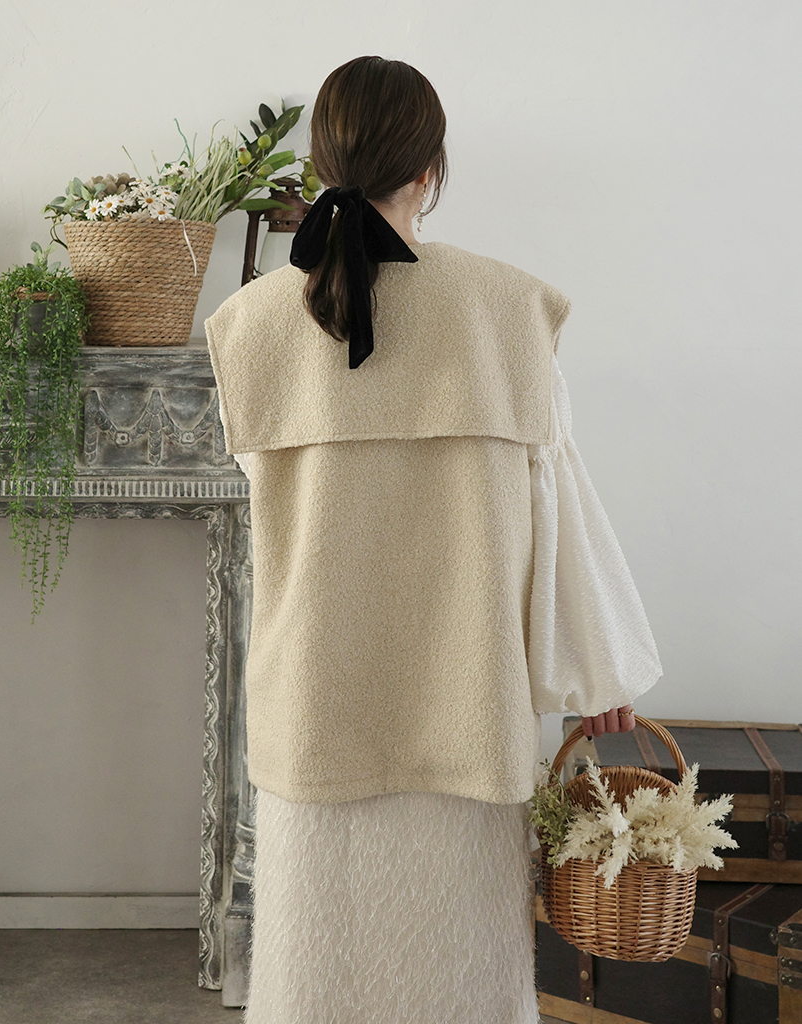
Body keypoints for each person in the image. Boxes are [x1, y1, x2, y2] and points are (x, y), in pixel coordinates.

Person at [205, 55, 662, 1024]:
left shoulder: (249, 325)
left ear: (320, 163)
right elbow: (555, 499)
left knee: (316, 975)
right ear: (430, 169)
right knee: (462, 980)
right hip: (468, 699)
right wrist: (598, 669)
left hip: (318, 701)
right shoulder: (510, 309)